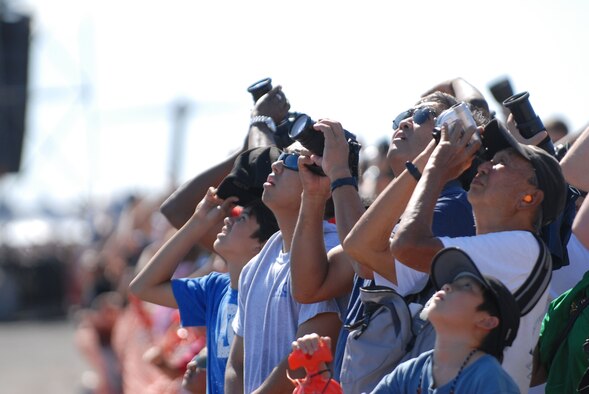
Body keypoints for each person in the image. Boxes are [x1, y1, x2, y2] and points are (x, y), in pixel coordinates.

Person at [375, 117, 567, 392]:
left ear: (529, 198)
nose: (485, 165)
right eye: (490, 159)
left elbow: (406, 245)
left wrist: (437, 167)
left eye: (503, 163)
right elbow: (362, 250)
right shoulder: (494, 250)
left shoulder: (524, 247)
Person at [129, 186, 279, 394]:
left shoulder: (272, 294)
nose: (228, 220)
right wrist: (197, 221)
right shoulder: (214, 289)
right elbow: (143, 287)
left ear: (261, 245)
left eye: (241, 219)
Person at [225, 145, 342, 394]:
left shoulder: (332, 252)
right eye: (278, 158)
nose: (275, 166)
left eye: (290, 161)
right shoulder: (255, 266)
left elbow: (305, 360)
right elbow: (236, 365)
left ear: (321, 179)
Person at [371, 247, 520, 393]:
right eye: (452, 282)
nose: (447, 286)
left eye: (466, 286)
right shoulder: (411, 371)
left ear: (486, 321)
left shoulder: (489, 378)